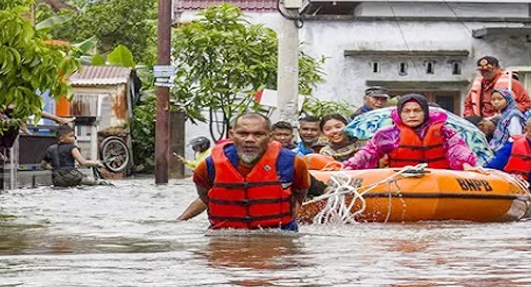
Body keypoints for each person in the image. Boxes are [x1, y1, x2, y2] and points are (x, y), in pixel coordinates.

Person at [176, 112, 311, 230]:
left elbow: (300, 192)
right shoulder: (209, 166)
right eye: (243, 134)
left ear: (270, 137)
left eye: (258, 134)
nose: (250, 140)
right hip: (225, 236)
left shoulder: (293, 163)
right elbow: (205, 196)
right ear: (231, 135)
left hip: (279, 233)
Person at [343, 94, 477, 171]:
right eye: (407, 111)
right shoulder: (388, 134)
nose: (412, 115)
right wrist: (349, 167)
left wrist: (466, 165)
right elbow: (368, 153)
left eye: (417, 111)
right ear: (400, 114)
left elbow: (457, 148)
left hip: (440, 177)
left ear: (425, 113)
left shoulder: (444, 131)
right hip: (402, 180)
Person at [464, 56, 531, 118]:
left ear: (498, 68)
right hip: (481, 120)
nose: (485, 73)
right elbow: (468, 105)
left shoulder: (511, 83)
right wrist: (470, 116)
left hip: (504, 118)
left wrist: (509, 112)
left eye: (489, 70)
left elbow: (526, 103)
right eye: (483, 71)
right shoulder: (478, 85)